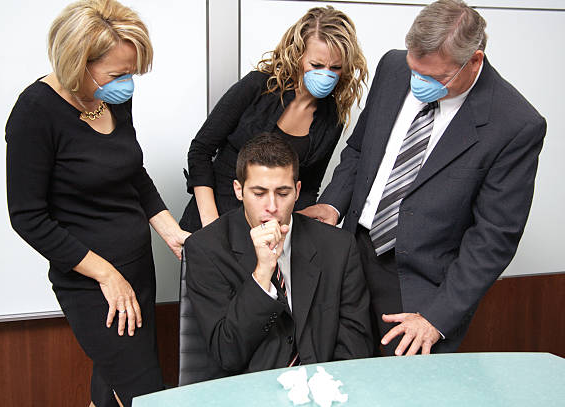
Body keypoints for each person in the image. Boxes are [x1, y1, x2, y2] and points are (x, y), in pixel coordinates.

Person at [301, 0, 546, 356]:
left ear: (474, 60)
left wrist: (436, 317)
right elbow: (359, 149)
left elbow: (493, 238)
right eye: (415, 70)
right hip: (353, 256)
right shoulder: (393, 66)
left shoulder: (514, 124)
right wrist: (333, 202)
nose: (418, 83)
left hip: (419, 291)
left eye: (433, 78)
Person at [5, 1, 188, 406]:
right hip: (91, 282)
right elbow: (27, 218)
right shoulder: (35, 113)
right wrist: (106, 275)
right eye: (118, 74)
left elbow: (132, 172)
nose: (128, 85)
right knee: (145, 394)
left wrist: (169, 229)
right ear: (78, 63)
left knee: (112, 388)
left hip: (136, 269)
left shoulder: (111, 98)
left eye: (132, 73)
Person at [184, 134, 373, 374]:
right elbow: (228, 353)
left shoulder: (338, 246)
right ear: (239, 190)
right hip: (251, 391)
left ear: (297, 190)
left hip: (324, 387)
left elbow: (355, 345)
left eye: (283, 193)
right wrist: (262, 273)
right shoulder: (206, 248)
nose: (272, 207)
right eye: (259, 193)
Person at [179, 6, 367, 232]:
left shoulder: (331, 118)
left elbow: (307, 187)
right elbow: (200, 151)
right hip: (212, 220)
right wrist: (211, 225)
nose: (325, 74)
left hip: (270, 237)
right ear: (298, 56)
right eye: (316, 65)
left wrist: (288, 230)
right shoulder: (258, 86)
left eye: (335, 68)